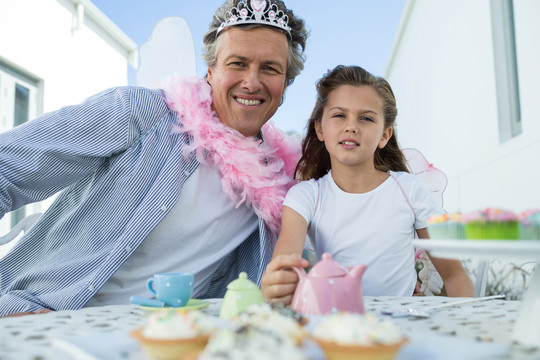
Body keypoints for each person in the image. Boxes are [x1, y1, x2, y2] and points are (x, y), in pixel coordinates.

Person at [0, 0, 309, 317]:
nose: (252, 81)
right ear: (211, 69)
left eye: (270, 68)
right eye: (237, 63)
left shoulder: (281, 183)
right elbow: (8, 167)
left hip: (171, 339)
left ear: (285, 83)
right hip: (42, 313)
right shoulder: (140, 113)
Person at [261, 65, 475, 303]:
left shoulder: (410, 190)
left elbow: (454, 274)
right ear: (320, 128)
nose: (351, 126)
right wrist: (277, 283)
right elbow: (284, 269)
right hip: (336, 326)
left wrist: (468, 323)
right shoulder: (305, 197)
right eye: (339, 115)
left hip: (403, 329)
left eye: (366, 118)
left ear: (385, 135)